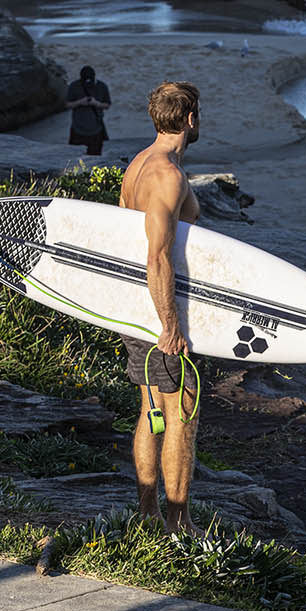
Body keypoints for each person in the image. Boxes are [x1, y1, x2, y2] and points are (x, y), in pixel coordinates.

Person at [119, 81, 202, 535]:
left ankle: (148, 514)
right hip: (161, 311)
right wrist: (170, 323)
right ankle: (178, 521)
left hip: (138, 305)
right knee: (181, 415)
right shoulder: (167, 175)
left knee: (151, 408)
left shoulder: (137, 165)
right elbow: (157, 255)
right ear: (189, 119)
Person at [67, 65, 110, 155]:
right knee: (75, 157)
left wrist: (96, 104)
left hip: (96, 129)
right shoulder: (74, 86)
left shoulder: (102, 87)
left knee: (96, 155)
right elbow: (67, 105)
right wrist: (80, 102)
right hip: (78, 129)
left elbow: (107, 104)